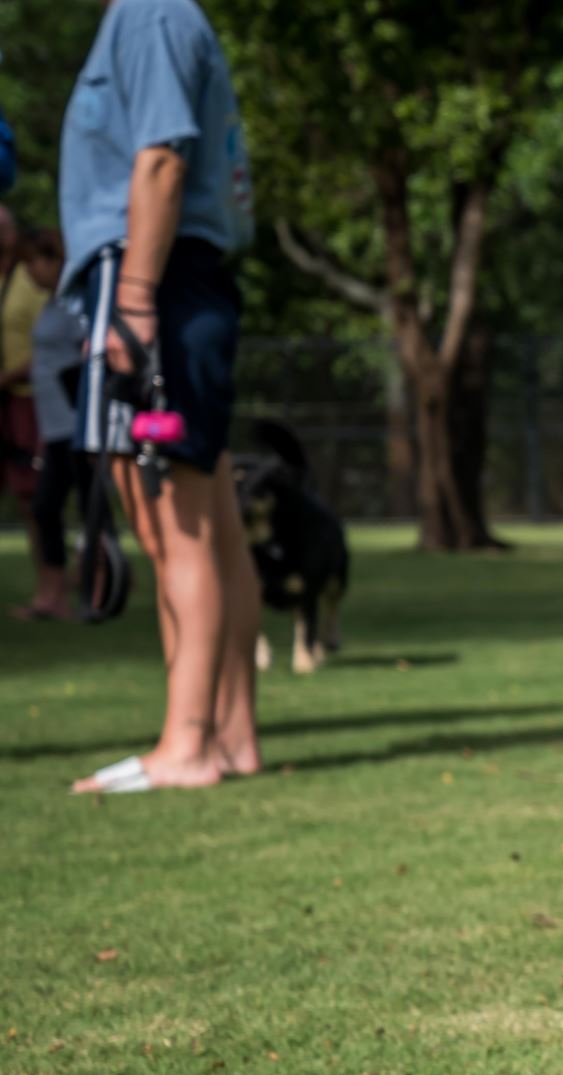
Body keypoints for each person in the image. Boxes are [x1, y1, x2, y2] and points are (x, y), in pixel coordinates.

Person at [61, 0, 262, 794]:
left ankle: (187, 744)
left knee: (171, 526)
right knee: (212, 526)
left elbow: (161, 160)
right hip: (177, 278)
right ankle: (232, 735)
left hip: (151, 278)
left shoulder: (149, 13)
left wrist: (134, 299)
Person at [7, 225, 77, 621]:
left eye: (34, 262)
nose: (30, 272)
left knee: (77, 505)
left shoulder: (74, 304)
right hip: (52, 426)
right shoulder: (51, 304)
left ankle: (97, 592)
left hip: (75, 425)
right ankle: (54, 596)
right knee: (47, 508)